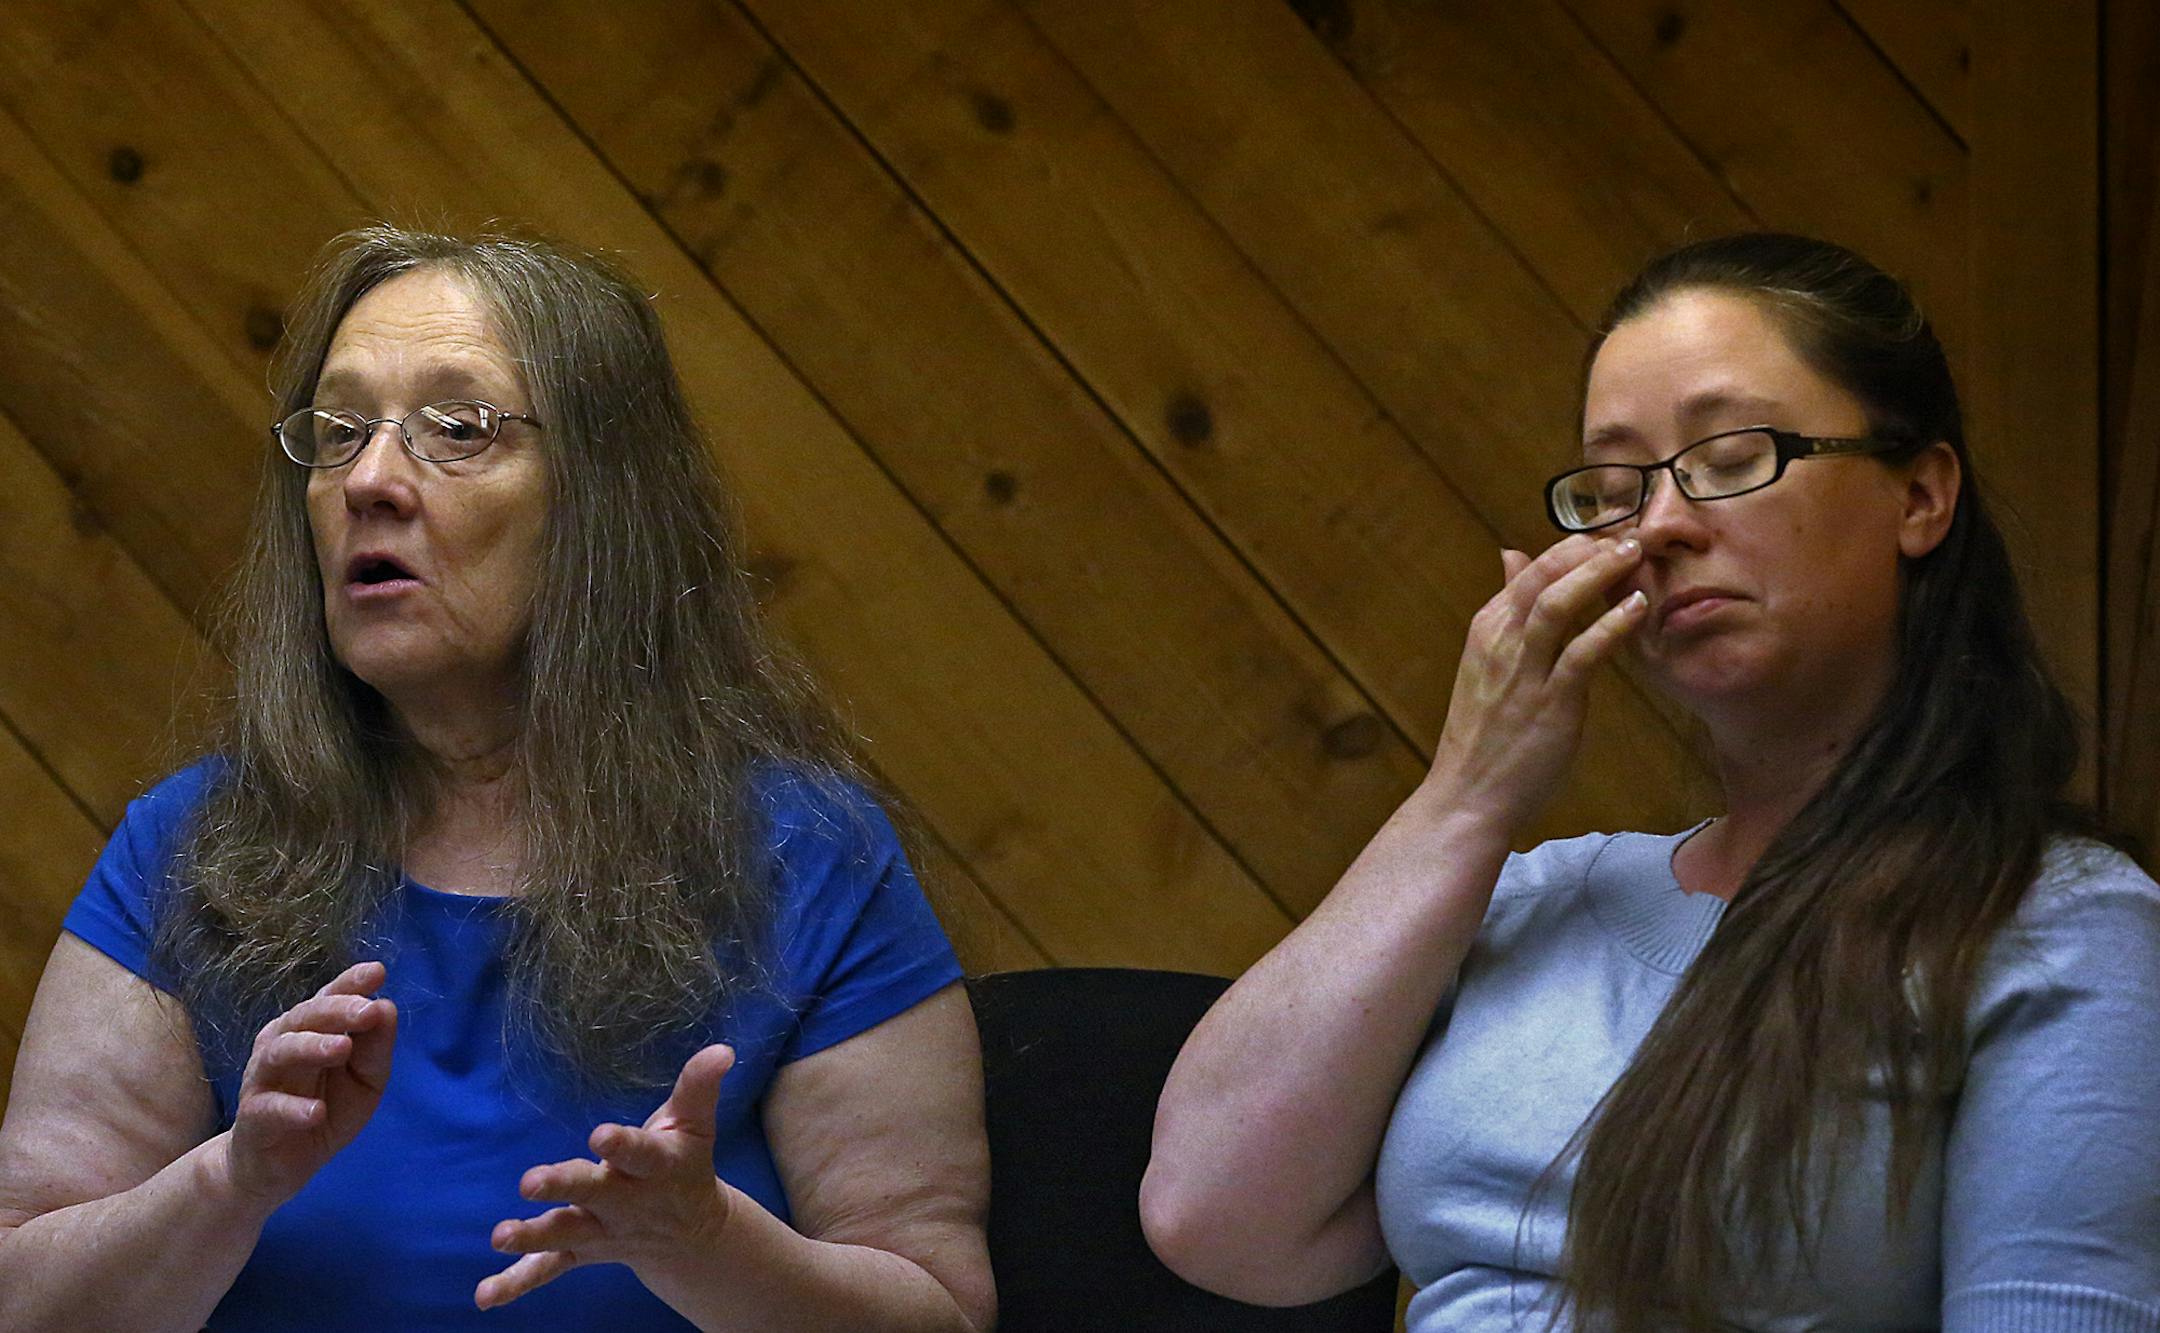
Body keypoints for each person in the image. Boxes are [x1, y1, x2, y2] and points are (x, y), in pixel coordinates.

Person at [1139, 233, 2160, 1329]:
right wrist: (1467, 797)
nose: (1662, 524)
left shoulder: (2057, 924)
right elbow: (1214, 1216)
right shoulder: (1537, 897)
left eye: (1730, 459)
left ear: (1919, 493)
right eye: (1616, 487)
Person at [0, 226, 995, 1331]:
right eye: (338, 433)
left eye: (457, 429)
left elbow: (939, 1311)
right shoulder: (192, 845)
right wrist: (228, 1182)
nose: (369, 479)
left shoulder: (809, 853)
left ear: (601, 504)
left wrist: (707, 1247)